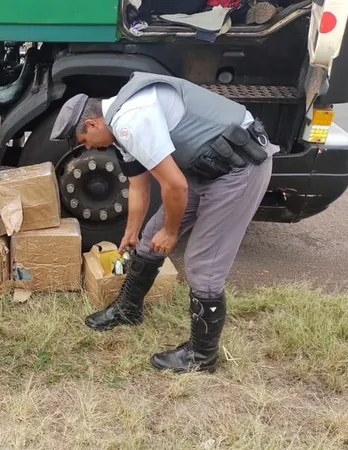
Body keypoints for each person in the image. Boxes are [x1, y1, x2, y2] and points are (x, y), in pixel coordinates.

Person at [50, 71, 279, 373]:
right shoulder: (119, 128)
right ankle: (128, 310)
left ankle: (202, 356)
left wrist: (171, 232)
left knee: (203, 266)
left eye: (85, 141)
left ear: (92, 123)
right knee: (148, 239)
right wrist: (131, 232)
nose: (89, 148)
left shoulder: (131, 120)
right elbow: (138, 186)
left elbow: (175, 187)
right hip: (207, 167)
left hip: (239, 170)